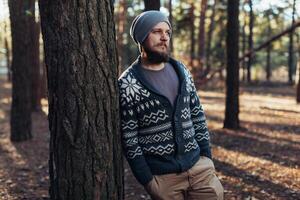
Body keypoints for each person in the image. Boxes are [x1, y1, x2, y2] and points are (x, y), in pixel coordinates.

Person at [118, 10, 224, 200]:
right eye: (157, 32)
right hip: (163, 179)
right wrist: (148, 181)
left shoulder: (181, 70)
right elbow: (129, 137)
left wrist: (207, 157)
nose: (164, 37)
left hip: (200, 171)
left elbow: (197, 115)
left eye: (167, 32)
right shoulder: (128, 83)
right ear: (142, 37)